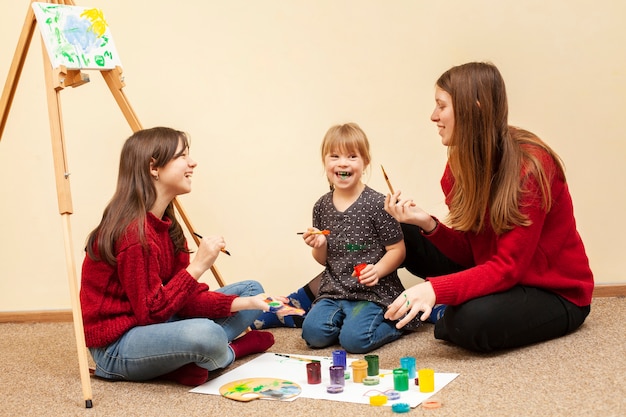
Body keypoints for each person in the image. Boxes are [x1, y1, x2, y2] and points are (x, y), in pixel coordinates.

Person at [383, 62, 594, 352]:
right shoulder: (458, 166)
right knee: (403, 228)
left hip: (552, 291)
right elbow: (473, 252)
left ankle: (447, 310)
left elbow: (508, 267)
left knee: (471, 322)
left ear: (475, 108)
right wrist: (428, 224)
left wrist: (434, 289)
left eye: (441, 106)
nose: (433, 116)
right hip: (498, 270)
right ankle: (383, 306)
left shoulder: (531, 167)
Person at [80, 127, 277, 386]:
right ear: (154, 167)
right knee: (206, 334)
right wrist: (197, 267)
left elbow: (184, 299)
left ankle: (181, 363)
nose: (193, 163)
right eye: (183, 156)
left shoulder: (167, 225)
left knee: (252, 289)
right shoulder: (133, 234)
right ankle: (230, 351)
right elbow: (150, 313)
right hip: (117, 346)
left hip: (155, 323)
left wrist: (249, 303)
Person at [298, 122, 416, 354]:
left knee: (355, 342)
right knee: (312, 335)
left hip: (372, 294)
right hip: (334, 291)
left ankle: (399, 322)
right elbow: (324, 261)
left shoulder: (377, 204)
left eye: (352, 156)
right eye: (335, 156)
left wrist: (378, 270)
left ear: (365, 163)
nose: (343, 162)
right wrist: (319, 246)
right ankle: (345, 323)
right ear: (325, 162)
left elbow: (397, 250)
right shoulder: (321, 206)